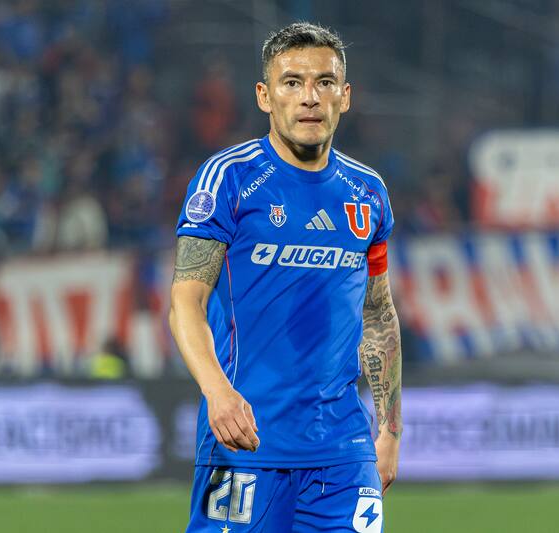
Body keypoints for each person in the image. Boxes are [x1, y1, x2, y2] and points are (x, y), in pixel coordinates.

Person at [169, 22, 401, 533]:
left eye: (324, 82)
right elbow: (185, 302)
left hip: (343, 455)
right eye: (292, 82)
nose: (309, 98)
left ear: (345, 95)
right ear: (264, 96)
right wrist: (217, 392)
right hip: (246, 444)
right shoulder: (228, 180)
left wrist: (388, 429)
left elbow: (378, 314)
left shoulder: (368, 193)